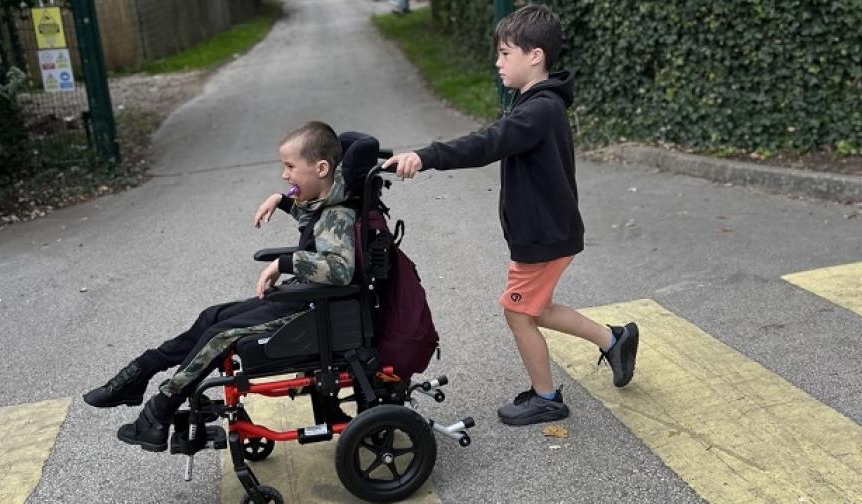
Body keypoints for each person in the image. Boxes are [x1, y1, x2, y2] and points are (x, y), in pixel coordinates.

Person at [383, 5, 639, 426]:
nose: (498, 62)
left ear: (534, 55)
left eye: (505, 53)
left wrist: (425, 157)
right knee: (535, 309)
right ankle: (614, 339)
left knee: (518, 312)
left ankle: (547, 397)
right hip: (547, 232)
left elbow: (487, 144)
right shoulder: (536, 102)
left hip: (543, 237)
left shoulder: (539, 110)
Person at [83, 121, 357, 450]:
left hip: (312, 308)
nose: (284, 175)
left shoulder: (337, 213)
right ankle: (140, 372)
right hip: (302, 296)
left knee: (219, 335)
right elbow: (312, 222)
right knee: (211, 317)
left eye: (289, 167)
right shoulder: (326, 199)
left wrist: (285, 263)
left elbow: (341, 270)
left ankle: (159, 412)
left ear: (322, 167)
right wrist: (282, 201)